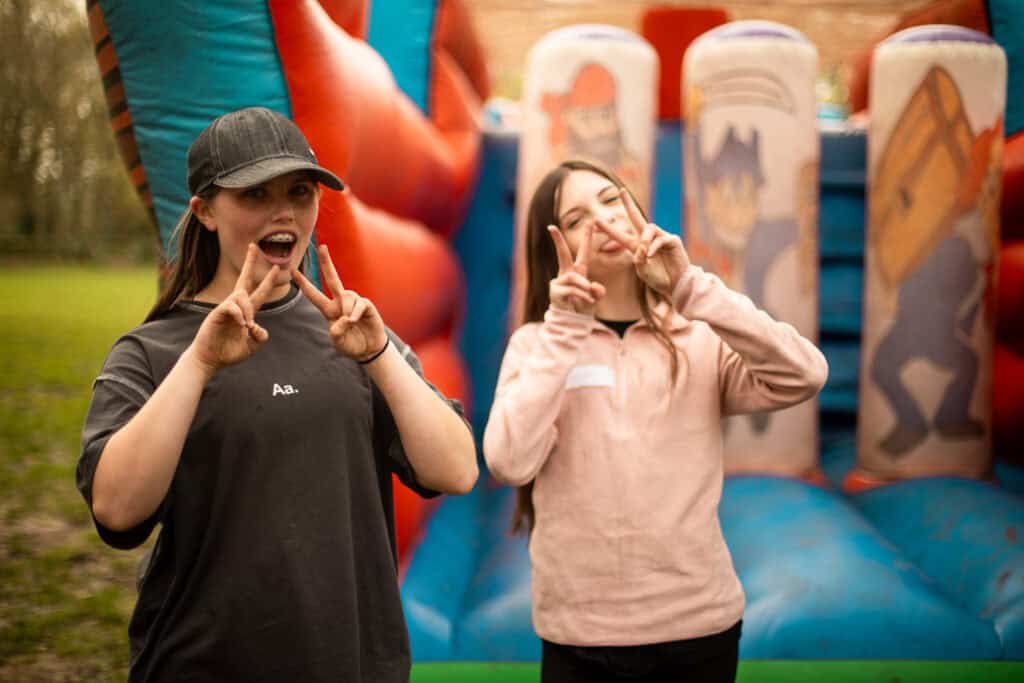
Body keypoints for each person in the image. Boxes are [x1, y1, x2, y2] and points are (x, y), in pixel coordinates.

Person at [76, 106, 478, 682]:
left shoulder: (356, 335)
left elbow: (457, 471)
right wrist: (201, 360)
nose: (283, 211)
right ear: (205, 212)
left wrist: (378, 355)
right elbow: (116, 509)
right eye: (254, 195)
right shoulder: (152, 352)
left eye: (299, 191)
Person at [483, 159, 828, 682]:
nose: (600, 222)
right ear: (553, 250)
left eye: (609, 199)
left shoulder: (698, 336)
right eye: (575, 220)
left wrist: (689, 287)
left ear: (636, 210)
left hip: (698, 630)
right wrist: (566, 326)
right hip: (580, 637)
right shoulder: (539, 345)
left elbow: (803, 374)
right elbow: (509, 461)